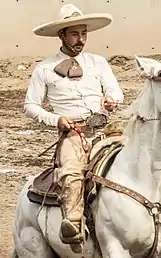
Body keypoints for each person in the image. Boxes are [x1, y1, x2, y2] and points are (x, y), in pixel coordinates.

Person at [24, 4, 124, 252]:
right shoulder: (44, 69)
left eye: (84, 34)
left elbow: (116, 92)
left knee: (141, 158)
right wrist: (56, 120)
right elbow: (30, 105)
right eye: (74, 34)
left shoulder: (98, 62)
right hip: (73, 134)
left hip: (105, 129)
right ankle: (74, 225)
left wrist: (111, 100)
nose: (81, 40)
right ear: (62, 35)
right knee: (71, 172)